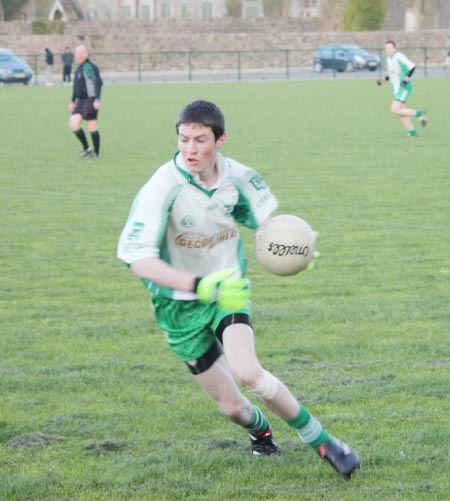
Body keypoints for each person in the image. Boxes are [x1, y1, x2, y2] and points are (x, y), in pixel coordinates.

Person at [117, 99, 360, 479]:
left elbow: (268, 228)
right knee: (233, 407)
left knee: (248, 372)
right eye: (183, 140)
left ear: (221, 139)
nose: (191, 149)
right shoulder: (161, 187)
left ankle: (326, 443)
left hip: (228, 291)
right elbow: (137, 259)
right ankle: (260, 431)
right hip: (178, 308)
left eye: (200, 140)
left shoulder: (240, 178)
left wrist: (295, 250)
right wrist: (198, 285)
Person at [376, 40, 427, 138]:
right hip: (396, 89)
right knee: (401, 111)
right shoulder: (389, 59)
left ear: (394, 48)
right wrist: (384, 80)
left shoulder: (399, 56)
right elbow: (392, 74)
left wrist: (406, 79)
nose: (387, 50)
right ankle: (412, 133)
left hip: (404, 87)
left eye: (389, 47)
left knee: (394, 109)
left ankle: (419, 113)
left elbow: (412, 66)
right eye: (386, 48)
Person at [68, 45, 103, 158]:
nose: (79, 55)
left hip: (90, 100)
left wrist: (97, 99)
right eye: (77, 53)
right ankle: (87, 148)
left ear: (86, 54)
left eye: (81, 53)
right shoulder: (78, 68)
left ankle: (97, 152)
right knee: (73, 124)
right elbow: (75, 86)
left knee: (91, 126)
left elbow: (98, 82)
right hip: (80, 101)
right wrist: (72, 101)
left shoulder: (90, 67)